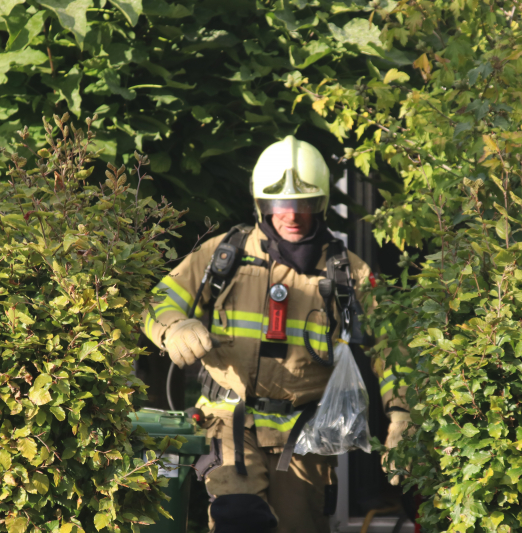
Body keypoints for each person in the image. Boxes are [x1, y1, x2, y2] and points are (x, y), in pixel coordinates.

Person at [142, 136, 375, 533]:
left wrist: (401, 412)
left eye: (303, 202)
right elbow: (156, 303)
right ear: (261, 204)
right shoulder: (222, 255)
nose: (292, 214)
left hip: (304, 436)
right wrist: (174, 327)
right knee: (239, 519)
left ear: (319, 204)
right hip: (228, 421)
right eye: (280, 203)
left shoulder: (348, 274)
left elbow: (390, 351)